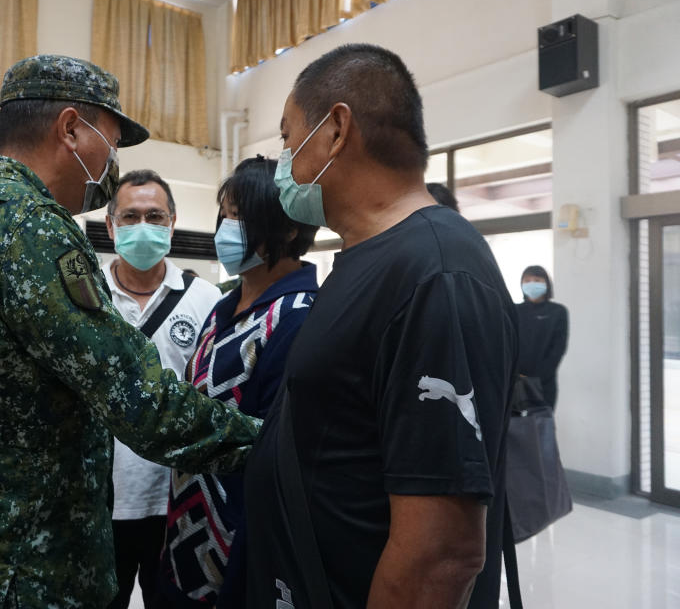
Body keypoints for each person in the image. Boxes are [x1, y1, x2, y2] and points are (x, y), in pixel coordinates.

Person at [0, 55, 262, 609]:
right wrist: (272, 440)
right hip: (25, 570)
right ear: (70, 129)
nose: (112, 163)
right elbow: (142, 402)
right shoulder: (31, 228)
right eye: (112, 143)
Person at [244, 43, 519, 609]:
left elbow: (441, 554)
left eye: (289, 135)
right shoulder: (372, 257)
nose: (285, 158)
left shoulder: (436, 272)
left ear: (336, 130)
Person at [160, 156, 319, 608]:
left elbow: (276, 458)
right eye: (225, 215)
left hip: (242, 555)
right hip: (186, 539)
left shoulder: (299, 316)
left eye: (241, 216)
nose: (227, 229)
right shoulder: (222, 310)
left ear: (288, 228)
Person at [103, 169, 222, 609]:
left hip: (174, 499)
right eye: (130, 217)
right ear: (111, 225)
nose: (142, 227)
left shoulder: (206, 299)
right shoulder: (83, 296)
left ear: (173, 223)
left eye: (154, 216)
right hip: (99, 503)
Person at [516, 265, 568, 410]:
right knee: (516, 429)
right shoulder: (514, 311)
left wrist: (537, 378)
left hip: (544, 384)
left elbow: (558, 348)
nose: (531, 283)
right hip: (515, 382)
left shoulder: (558, 312)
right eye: (527, 280)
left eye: (537, 279)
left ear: (546, 283)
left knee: (542, 427)